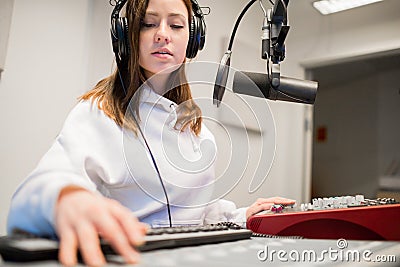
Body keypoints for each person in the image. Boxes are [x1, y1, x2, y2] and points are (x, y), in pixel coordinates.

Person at [7, 0, 295, 266]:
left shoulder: (197, 131)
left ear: (193, 40)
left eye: (176, 25)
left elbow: (195, 211)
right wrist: (66, 199)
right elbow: (38, 188)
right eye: (148, 23)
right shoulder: (98, 113)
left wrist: (240, 215)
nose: (162, 34)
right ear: (127, 34)